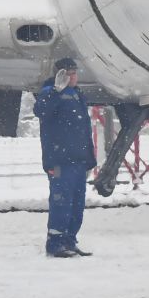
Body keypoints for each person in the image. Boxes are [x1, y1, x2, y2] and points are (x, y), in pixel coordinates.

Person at [35, 57, 97, 257]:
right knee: (61, 201)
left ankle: (69, 240)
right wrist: (55, 90)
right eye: (68, 73)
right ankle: (55, 243)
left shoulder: (78, 95)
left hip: (78, 160)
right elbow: (40, 110)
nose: (73, 77)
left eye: (74, 72)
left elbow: (83, 129)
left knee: (77, 204)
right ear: (59, 75)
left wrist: (89, 159)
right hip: (60, 161)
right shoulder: (50, 93)